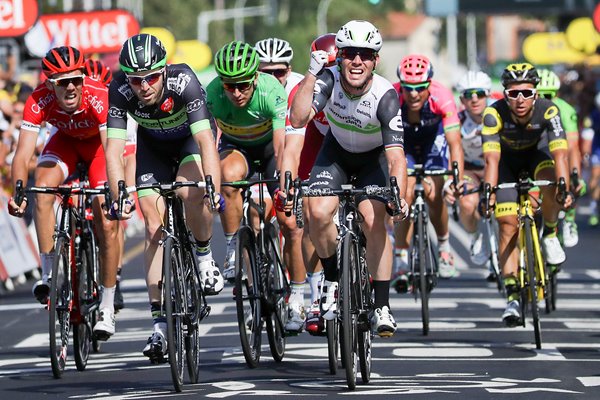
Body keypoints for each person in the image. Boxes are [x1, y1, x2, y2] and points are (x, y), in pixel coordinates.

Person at [105, 34, 223, 362]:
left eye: (151, 77)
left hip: (188, 143)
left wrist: (212, 185)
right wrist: (117, 195)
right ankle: (158, 324)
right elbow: (113, 150)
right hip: (153, 149)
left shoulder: (184, 81)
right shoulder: (119, 89)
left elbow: (205, 141)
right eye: (136, 79)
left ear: (164, 70)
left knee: (190, 191)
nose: (143, 86)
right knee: (153, 226)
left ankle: (202, 256)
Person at [288, 20, 409, 337]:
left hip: (374, 159)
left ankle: (381, 304)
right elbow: (298, 118)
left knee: (373, 218)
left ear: (375, 61)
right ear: (339, 56)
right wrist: (312, 74)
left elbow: (396, 158)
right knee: (316, 212)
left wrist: (399, 195)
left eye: (365, 55)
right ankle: (330, 278)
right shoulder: (327, 80)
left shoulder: (386, 95)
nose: (357, 61)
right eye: (350, 53)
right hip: (337, 153)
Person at [7, 46, 121, 341]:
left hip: (98, 149)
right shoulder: (38, 100)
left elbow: (112, 151)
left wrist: (112, 190)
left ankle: (107, 306)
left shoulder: (99, 95)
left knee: (106, 222)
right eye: (62, 81)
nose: (71, 87)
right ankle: (49, 275)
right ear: (49, 84)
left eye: (76, 79)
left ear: (84, 77)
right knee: (42, 188)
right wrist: (18, 192)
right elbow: (22, 154)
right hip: (65, 144)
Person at [207, 40, 308, 334]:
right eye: (230, 86)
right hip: (236, 149)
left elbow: (280, 145)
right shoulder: (213, 95)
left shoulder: (271, 90)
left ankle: (298, 297)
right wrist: (212, 186)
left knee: (290, 222)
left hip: (268, 150)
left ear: (254, 79)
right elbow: (210, 143)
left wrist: (282, 186)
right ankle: (233, 250)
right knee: (227, 177)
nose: (236, 93)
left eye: (242, 86)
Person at [481, 62, 572, 326]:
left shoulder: (549, 110)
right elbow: (491, 161)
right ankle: (511, 296)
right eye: (513, 93)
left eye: (527, 93)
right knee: (507, 225)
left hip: (537, 157)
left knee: (552, 181)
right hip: (506, 164)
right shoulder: (493, 114)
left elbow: (560, 154)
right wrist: (489, 192)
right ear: (505, 94)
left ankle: (551, 233)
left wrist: (564, 186)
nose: (520, 99)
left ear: (536, 93)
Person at [391, 54, 464, 285]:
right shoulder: (391, 97)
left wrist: (457, 180)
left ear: (429, 84)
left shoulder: (442, 97)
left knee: (435, 191)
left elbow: (455, 144)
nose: (413, 94)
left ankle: (443, 247)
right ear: (400, 85)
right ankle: (401, 256)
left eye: (420, 88)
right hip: (405, 145)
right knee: (405, 192)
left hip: (434, 141)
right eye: (408, 88)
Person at [283, 33, 337, 335]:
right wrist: (290, 184)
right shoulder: (303, 92)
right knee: (309, 213)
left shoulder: (355, 85)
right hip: (318, 143)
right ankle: (318, 295)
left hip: (355, 142)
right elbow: (292, 148)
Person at [447, 71, 494, 270]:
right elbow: (449, 150)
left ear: (488, 95)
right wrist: (451, 181)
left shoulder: (498, 114)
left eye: (479, 94)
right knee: (467, 203)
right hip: (471, 169)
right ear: (462, 99)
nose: (474, 99)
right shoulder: (456, 120)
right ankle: (475, 236)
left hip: (497, 167)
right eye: (468, 94)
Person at [536, 69, 584, 248]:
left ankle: (570, 219)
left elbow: (572, 147)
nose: (544, 99)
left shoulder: (564, 109)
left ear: (555, 94)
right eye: (538, 94)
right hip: (538, 155)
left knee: (574, 182)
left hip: (560, 152)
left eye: (548, 95)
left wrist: (575, 174)